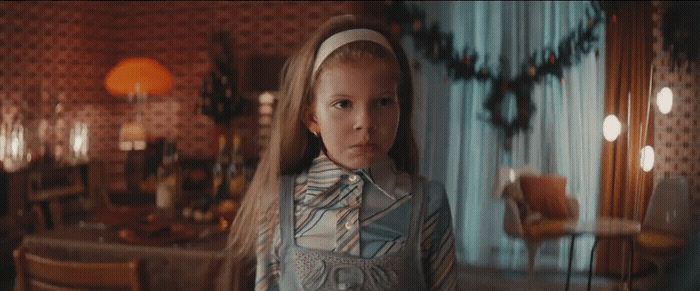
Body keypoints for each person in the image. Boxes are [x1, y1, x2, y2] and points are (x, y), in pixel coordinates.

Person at [224, 14, 457, 291]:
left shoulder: (428, 204)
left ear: (400, 108)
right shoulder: (277, 203)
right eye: (343, 104)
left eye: (382, 102)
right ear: (312, 118)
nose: (365, 122)